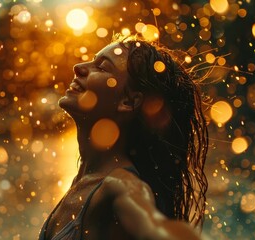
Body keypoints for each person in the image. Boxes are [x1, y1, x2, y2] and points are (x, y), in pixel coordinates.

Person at [39, 35, 209, 240]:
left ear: (128, 102)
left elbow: (156, 228)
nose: (78, 66)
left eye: (101, 67)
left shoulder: (121, 186)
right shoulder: (84, 180)